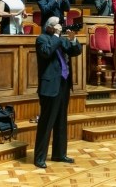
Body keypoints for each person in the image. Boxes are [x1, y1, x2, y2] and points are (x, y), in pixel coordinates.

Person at [33, 16, 82, 169]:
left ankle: (59, 154)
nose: (59, 27)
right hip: (50, 86)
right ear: (49, 26)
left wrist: (73, 39)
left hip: (64, 84)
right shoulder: (42, 39)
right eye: (56, 25)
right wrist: (55, 36)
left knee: (61, 120)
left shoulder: (60, 39)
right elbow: (46, 52)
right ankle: (39, 157)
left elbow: (75, 51)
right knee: (46, 122)